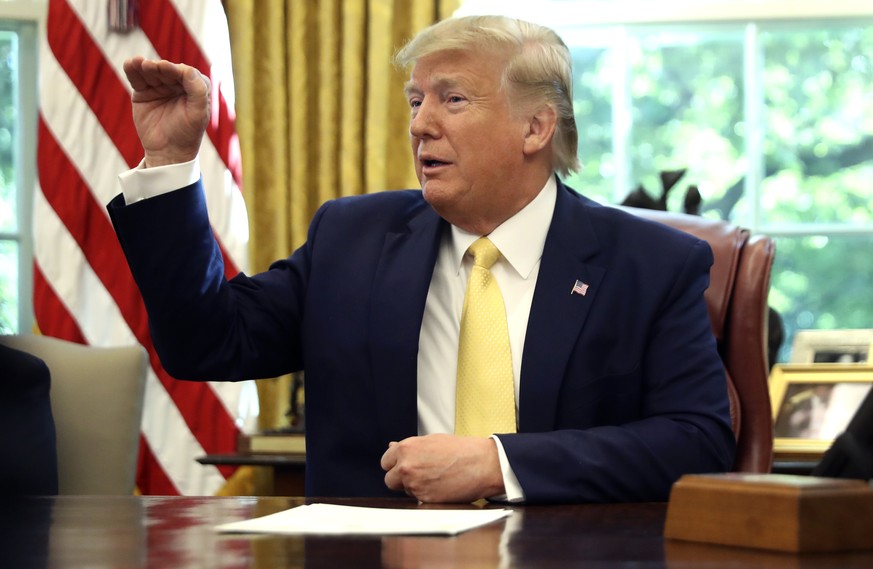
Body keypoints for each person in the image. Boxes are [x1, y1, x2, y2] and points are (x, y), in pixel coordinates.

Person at [108, 15, 735, 503]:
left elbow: (698, 442)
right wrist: (169, 164)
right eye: (415, 101)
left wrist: (498, 462)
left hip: (560, 552)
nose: (421, 124)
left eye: (453, 100)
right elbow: (204, 343)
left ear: (536, 127)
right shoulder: (352, 239)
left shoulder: (650, 265)